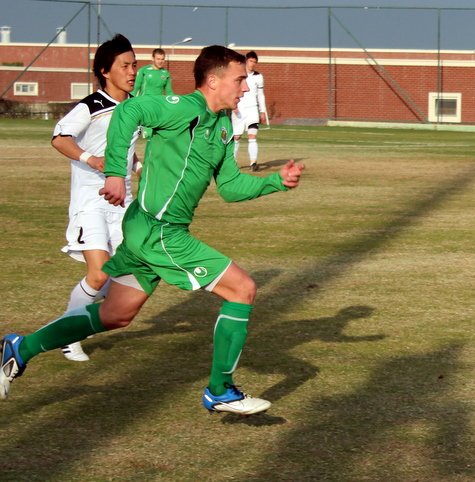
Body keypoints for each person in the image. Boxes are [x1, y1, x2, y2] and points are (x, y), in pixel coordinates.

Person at [1, 45, 305, 416]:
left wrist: (276, 181)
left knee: (115, 315)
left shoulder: (224, 127)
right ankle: (220, 389)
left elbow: (230, 187)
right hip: (159, 231)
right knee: (242, 289)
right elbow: (129, 110)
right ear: (213, 81)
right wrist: (115, 171)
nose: (245, 87)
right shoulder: (181, 108)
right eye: (239, 79)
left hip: (149, 230)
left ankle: (20, 348)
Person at [50, 33, 139, 362]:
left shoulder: (133, 107)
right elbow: (60, 138)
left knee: (121, 277)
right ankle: (67, 335)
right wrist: (91, 159)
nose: (132, 71)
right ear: (105, 70)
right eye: (125, 65)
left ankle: (69, 323)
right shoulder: (91, 105)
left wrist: (140, 164)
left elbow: (126, 150)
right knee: (99, 273)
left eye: (134, 65)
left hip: (123, 205)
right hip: (91, 203)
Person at [232, 50, 268, 171]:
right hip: (239, 110)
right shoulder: (238, 74)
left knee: (252, 136)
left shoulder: (258, 77)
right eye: (251, 61)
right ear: (246, 61)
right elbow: (232, 90)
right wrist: (234, 106)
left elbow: (260, 95)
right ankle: (232, 163)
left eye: (255, 62)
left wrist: (262, 111)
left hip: (253, 109)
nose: (252, 63)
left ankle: (253, 163)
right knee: (236, 137)